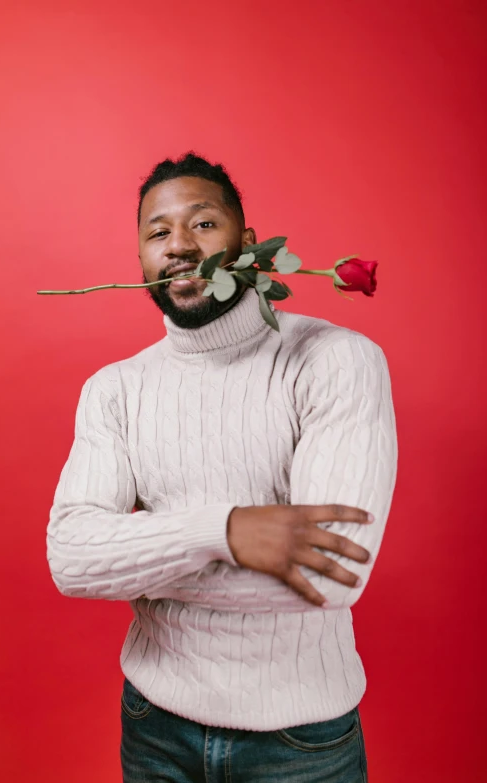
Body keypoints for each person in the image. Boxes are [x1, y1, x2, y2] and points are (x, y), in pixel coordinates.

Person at [47, 152, 397, 783]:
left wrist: (140, 564)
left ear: (250, 245)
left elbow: (335, 574)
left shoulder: (334, 360)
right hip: (153, 728)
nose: (179, 245)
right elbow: (71, 559)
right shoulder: (114, 390)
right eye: (158, 232)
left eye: (203, 224)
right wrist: (228, 532)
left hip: (300, 746)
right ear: (142, 263)